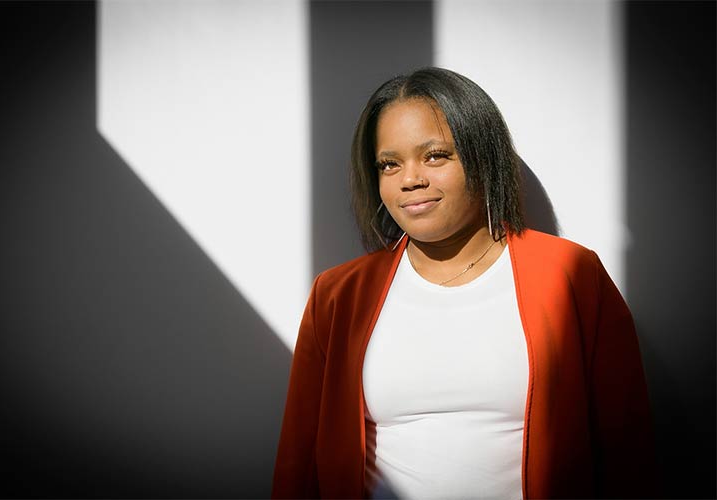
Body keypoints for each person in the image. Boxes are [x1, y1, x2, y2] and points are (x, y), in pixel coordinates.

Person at [272, 67, 657, 499]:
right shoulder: (338, 294)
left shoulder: (571, 273)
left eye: (435, 155)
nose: (409, 179)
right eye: (389, 163)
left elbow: (628, 449)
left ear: (483, 157)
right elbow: (298, 461)